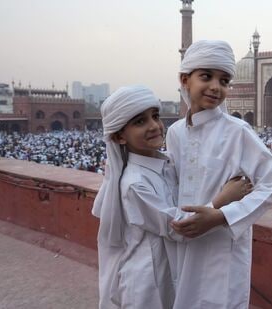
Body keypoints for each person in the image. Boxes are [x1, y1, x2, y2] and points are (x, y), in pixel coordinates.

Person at [91, 85, 251, 309]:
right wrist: (222, 200)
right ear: (119, 137)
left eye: (155, 116)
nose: (154, 126)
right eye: (140, 122)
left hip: (171, 270)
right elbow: (179, 227)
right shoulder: (134, 183)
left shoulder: (166, 164)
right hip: (148, 282)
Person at [166, 40, 272, 308]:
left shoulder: (237, 131)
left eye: (224, 80)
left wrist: (220, 216)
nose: (216, 87)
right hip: (186, 241)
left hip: (224, 248)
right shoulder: (175, 133)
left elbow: (271, 186)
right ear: (185, 80)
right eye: (206, 76)